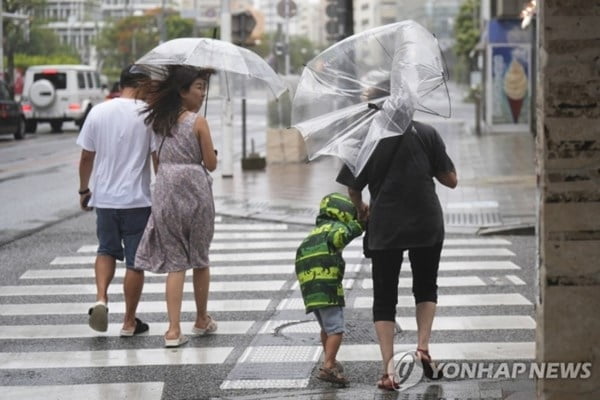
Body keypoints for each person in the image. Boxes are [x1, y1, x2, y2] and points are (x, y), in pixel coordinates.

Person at [336, 120, 457, 389]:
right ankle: (423, 347)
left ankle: (389, 371)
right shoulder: (426, 133)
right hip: (426, 221)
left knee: (384, 296)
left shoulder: (367, 137)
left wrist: (361, 208)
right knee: (426, 286)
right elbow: (451, 181)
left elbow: (353, 188)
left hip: (386, 225)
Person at [135, 65, 218, 348]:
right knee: (200, 257)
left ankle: (172, 330)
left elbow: (156, 162)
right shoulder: (198, 122)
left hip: (166, 188)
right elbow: (211, 164)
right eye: (199, 88)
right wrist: (210, 151)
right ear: (183, 92)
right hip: (195, 189)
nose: (202, 94)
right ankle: (201, 318)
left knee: (176, 262)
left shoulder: (158, 122)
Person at [77, 65, 157, 336]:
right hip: (137, 201)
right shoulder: (148, 115)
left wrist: (83, 190)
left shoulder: (99, 111)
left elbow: (87, 157)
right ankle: (129, 322)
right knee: (135, 263)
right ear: (142, 84)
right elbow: (157, 159)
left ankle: (101, 298)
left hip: (106, 200)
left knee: (106, 250)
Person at [295, 193, 364, 386]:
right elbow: (340, 238)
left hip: (309, 288)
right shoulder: (335, 228)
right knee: (336, 329)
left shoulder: (315, 232)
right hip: (327, 287)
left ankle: (329, 359)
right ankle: (328, 365)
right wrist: (360, 225)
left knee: (326, 327)